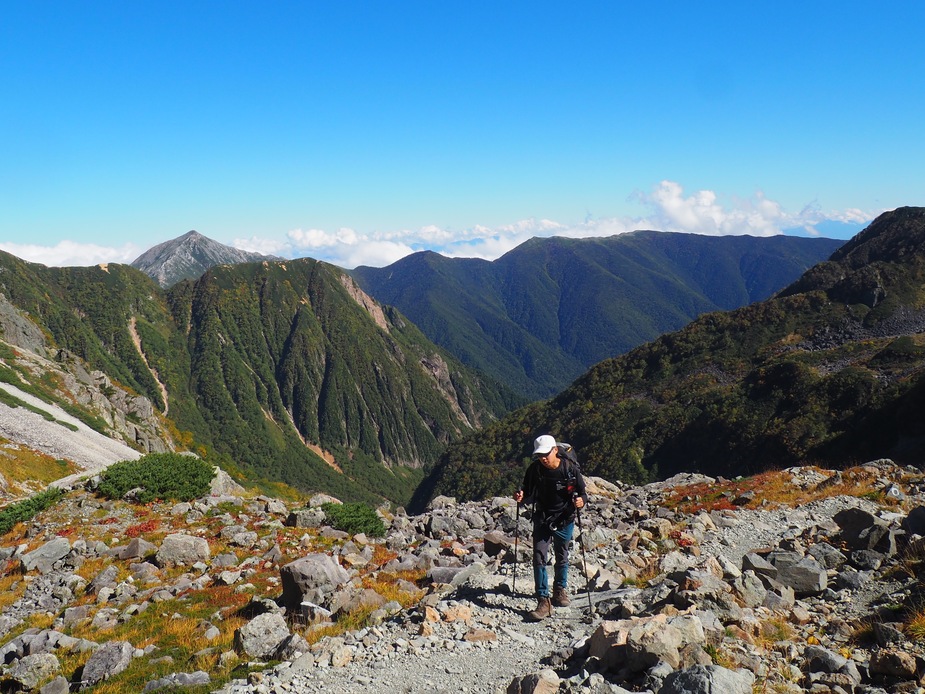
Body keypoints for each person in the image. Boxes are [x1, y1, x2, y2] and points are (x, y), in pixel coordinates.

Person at [513, 434, 588, 621]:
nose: (543, 458)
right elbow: (529, 493)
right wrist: (521, 497)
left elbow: (583, 493)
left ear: (555, 450)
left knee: (562, 555)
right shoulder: (535, 470)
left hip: (565, 518)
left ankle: (559, 590)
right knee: (539, 557)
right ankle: (543, 600)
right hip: (543, 519)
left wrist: (581, 501)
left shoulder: (570, 469)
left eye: (546, 453)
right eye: (539, 455)